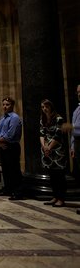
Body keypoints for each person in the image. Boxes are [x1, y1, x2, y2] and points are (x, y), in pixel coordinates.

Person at [0, 96, 23, 200]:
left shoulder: (14, 118)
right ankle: (8, 188)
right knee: (5, 169)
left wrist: (1, 139)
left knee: (14, 169)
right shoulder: (2, 118)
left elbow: (11, 133)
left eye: (7, 105)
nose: (5, 107)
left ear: (12, 105)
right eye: (3, 105)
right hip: (2, 145)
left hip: (12, 146)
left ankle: (17, 191)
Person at [40, 99, 67, 208]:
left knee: (59, 175)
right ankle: (55, 196)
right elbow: (41, 133)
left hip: (57, 150)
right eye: (42, 107)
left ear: (51, 107)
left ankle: (61, 198)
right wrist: (44, 146)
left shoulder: (59, 119)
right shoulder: (43, 119)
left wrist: (49, 147)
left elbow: (58, 135)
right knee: (52, 175)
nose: (44, 109)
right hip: (47, 150)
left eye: (46, 106)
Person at [70, 85, 80, 214]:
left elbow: (74, 127)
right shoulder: (77, 108)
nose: (78, 94)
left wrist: (70, 127)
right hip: (77, 143)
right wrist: (72, 146)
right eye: (78, 92)